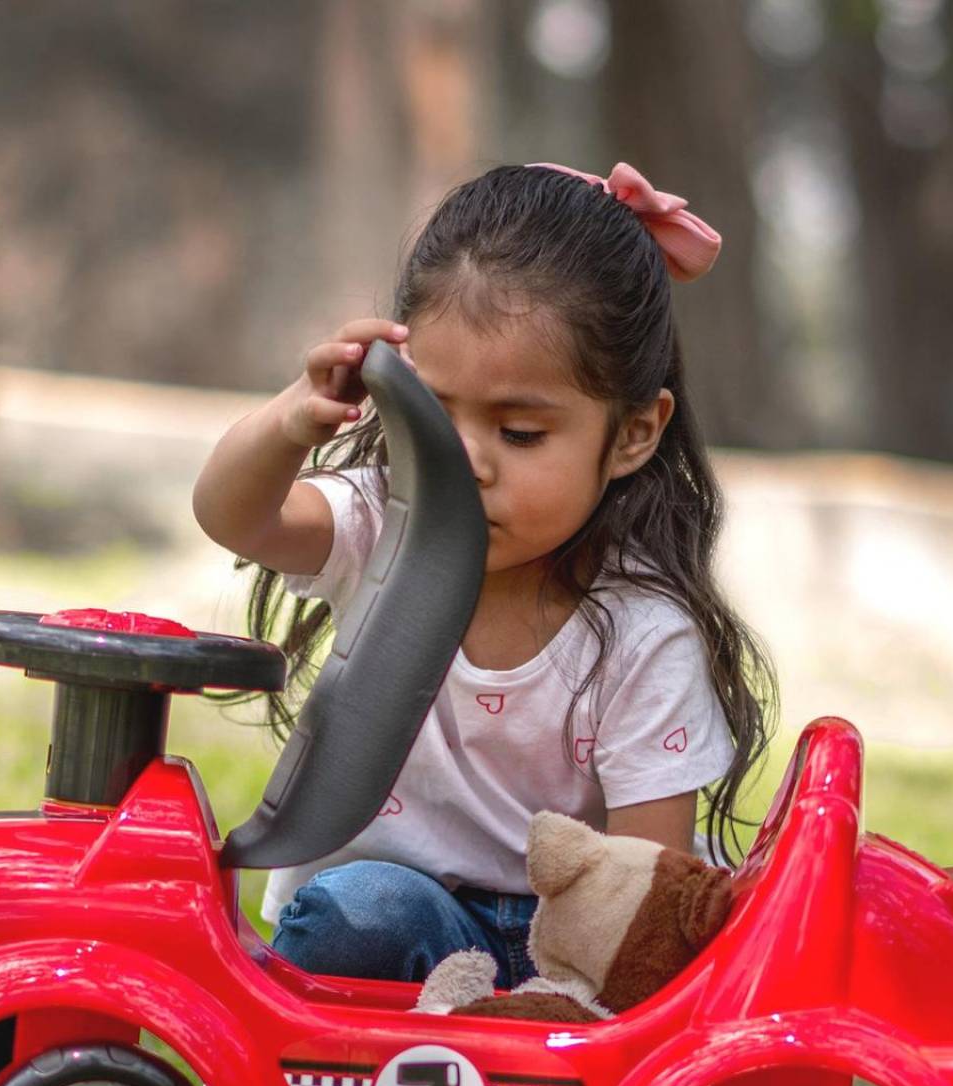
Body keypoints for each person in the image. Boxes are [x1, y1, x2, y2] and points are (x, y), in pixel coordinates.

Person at [192, 161, 775, 989]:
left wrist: (559, 1003)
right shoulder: (374, 526)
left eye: (521, 433)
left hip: (566, 952)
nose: (467, 461)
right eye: (434, 412)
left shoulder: (642, 632)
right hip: (400, 927)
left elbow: (639, 890)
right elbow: (232, 516)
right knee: (359, 912)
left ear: (635, 433)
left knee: (637, 957)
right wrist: (293, 418)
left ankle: (515, 1066)